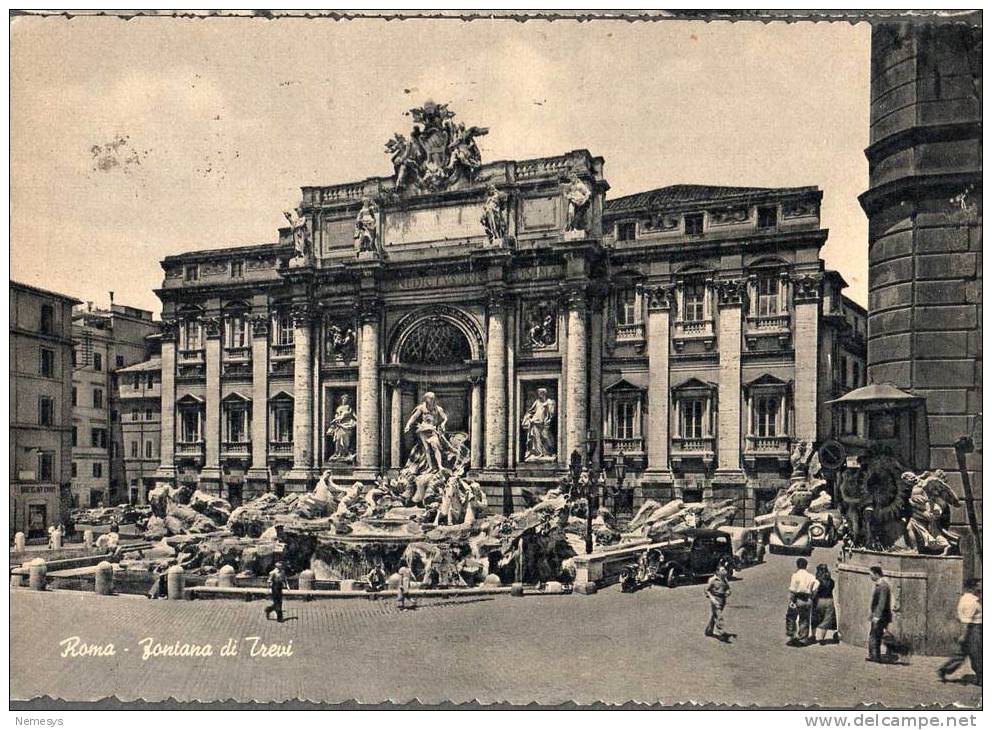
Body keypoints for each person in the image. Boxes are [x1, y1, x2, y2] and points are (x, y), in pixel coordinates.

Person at [938, 579, 982, 685]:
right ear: (973, 586)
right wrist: (963, 634)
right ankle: (982, 678)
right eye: (979, 585)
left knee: (962, 654)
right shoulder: (970, 601)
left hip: (975, 628)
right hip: (973, 629)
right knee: (977, 654)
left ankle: (944, 669)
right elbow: (966, 620)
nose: (981, 586)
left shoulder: (970, 598)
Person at [404, 392, 448, 472]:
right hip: (423, 430)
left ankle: (440, 466)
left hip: (432, 430)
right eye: (430, 398)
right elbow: (414, 417)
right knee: (427, 449)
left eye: (433, 398)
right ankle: (431, 467)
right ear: (426, 399)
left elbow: (445, 418)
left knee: (435, 446)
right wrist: (408, 425)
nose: (432, 400)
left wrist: (443, 424)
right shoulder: (421, 408)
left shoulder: (438, 409)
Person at [787, 557, 819, 646]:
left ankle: (791, 636)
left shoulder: (795, 575)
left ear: (797, 565)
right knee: (804, 619)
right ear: (806, 566)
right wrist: (811, 596)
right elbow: (816, 586)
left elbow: (793, 589)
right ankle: (803, 638)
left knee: (791, 617)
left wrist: (792, 600)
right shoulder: (811, 576)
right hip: (807, 599)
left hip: (797, 598)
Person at [522, 388, 556, 461]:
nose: (539, 394)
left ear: (544, 393)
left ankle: (548, 452)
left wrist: (548, 408)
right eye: (538, 393)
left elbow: (551, 413)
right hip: (535, 422)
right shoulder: (537, 402)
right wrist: (528, 418)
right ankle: (538, 453)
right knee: (536, 438)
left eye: (541, 393)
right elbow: (531, 411)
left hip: (544, 423)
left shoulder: (549, 401)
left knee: (545, 436)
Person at [867, 565, 893, 662]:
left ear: (876, 574)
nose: (870, 576)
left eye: (871, 574)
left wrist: (877, 616)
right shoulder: (881, 584)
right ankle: (874, 654)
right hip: (879, 615)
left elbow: (882, 602)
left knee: (875, 635)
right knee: (876, 635)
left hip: (881, 616)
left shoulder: (883, 586)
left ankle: (874, 655)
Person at [704, 562, 732, 642]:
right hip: (715, 599)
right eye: (722, 570)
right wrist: (712, 599)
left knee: (715, 615)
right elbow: (706, 590)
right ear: (718, 572)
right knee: (719, 616)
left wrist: (728, 592)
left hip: (723, 599)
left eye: (724, 570)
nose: (725, 572)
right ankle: (721, 633)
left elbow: (728, 588)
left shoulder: (724, 579)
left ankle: (708, 631)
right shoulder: (712, 580)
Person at [813, 563, 838, 644]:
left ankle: (813, 636)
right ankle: (822, 638)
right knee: (826, 620)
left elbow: (815, 591)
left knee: (815, 618)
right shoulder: (831, 582)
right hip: (829, 601)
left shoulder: (817, 581)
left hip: (819, 600)